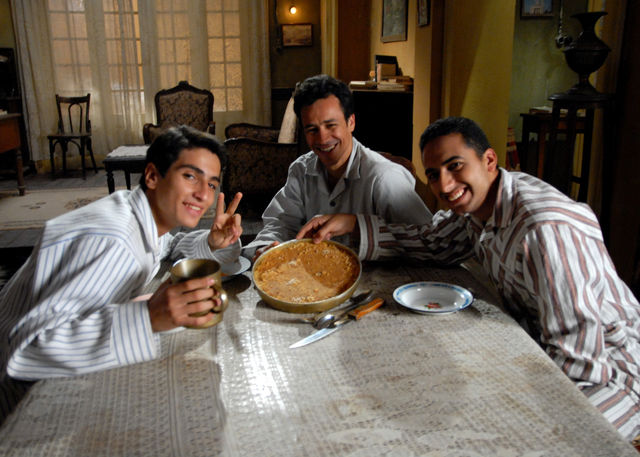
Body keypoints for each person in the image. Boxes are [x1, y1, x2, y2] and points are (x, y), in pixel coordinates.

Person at [297, 116, 640, 441]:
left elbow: (581, 361)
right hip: (541, 349)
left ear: (489, 160)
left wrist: (524, 409)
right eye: (434, 174)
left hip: (613, 372)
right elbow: (434, 243)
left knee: (517, 436)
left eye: (455, 166)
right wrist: (354, 223)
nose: (445, 185)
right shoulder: (479, 208)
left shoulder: (546, 230)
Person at [0, 125, 243, 424]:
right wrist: (147, 317)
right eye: (190, 176)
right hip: (19, 406)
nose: (203, 194)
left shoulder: (136, 212)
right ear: (152, 176)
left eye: (212, 184)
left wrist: (211, 243)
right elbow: (28, 350)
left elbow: (167, 246)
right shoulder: (114, 240)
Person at [243, 74, 432, 259]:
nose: (322, 139)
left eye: (331, 125)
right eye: (312, 129)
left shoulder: (385, 177)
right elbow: (281, 223)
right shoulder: (301, 169)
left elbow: (428, 240)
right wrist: (266, 248)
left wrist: (358, 226)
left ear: (351, 122)